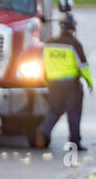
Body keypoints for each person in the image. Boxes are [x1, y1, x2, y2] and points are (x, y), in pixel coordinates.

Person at [35, 12, 92, 151]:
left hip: (53, 83)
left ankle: (44, 130)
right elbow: (83, 66)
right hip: (71, 85)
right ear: (73, 27)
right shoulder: (74, 44)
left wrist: (44, 81)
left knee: (53, 110)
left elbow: (41, 64)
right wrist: (89, 82)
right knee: (74, 113)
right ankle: (74, 143)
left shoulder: (48, 44)